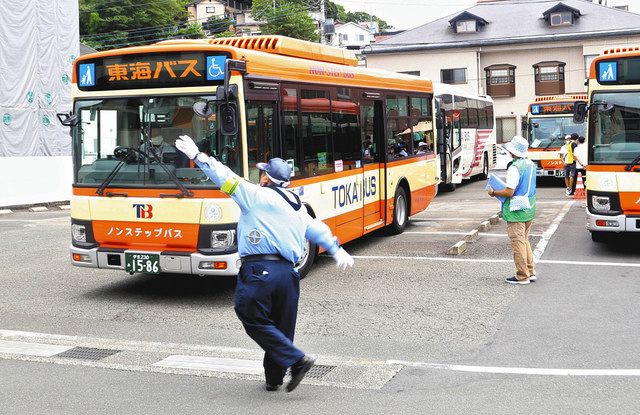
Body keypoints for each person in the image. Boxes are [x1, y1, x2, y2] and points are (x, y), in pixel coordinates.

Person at [174, 134, 355, 392]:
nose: (261, 176)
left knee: (248, 312)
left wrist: (197, 156)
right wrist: (337, 250)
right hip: (289, 274)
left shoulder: (255, 195)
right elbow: (318, 230)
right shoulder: (297, 207)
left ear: (266, 178)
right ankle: (274, 379)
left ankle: (296, 360)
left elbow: (225, 177)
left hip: (259, 270)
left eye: (263, 173)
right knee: (282, 325)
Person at [487, 135, 537, 285]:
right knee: (524, 241)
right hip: (529, 207)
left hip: (516, 211)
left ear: (512, 151)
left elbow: (509, 192)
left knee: (518, 243)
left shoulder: (514, 167)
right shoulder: (530, 164)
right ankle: (530, 271)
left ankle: (522, 276)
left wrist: (494, 192)